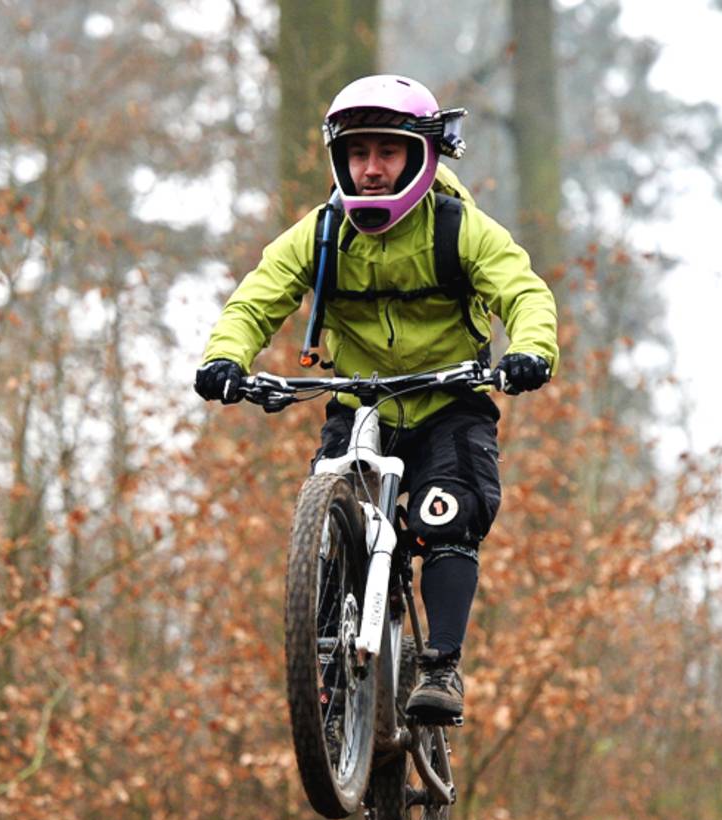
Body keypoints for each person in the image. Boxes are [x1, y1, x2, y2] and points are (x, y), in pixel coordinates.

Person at [195, 75, 558, 723]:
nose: (369, 169)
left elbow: (523, 293)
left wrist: (530, 351)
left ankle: (441, 667)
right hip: (358, 404)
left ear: (420, 156)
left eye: (386, 152)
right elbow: (256, 298)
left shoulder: (461, 229)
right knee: (334, 530)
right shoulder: (322, 233)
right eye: (357, 154)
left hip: (448, 403)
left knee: (447, 516)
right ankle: (331, 670)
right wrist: (225, 359)